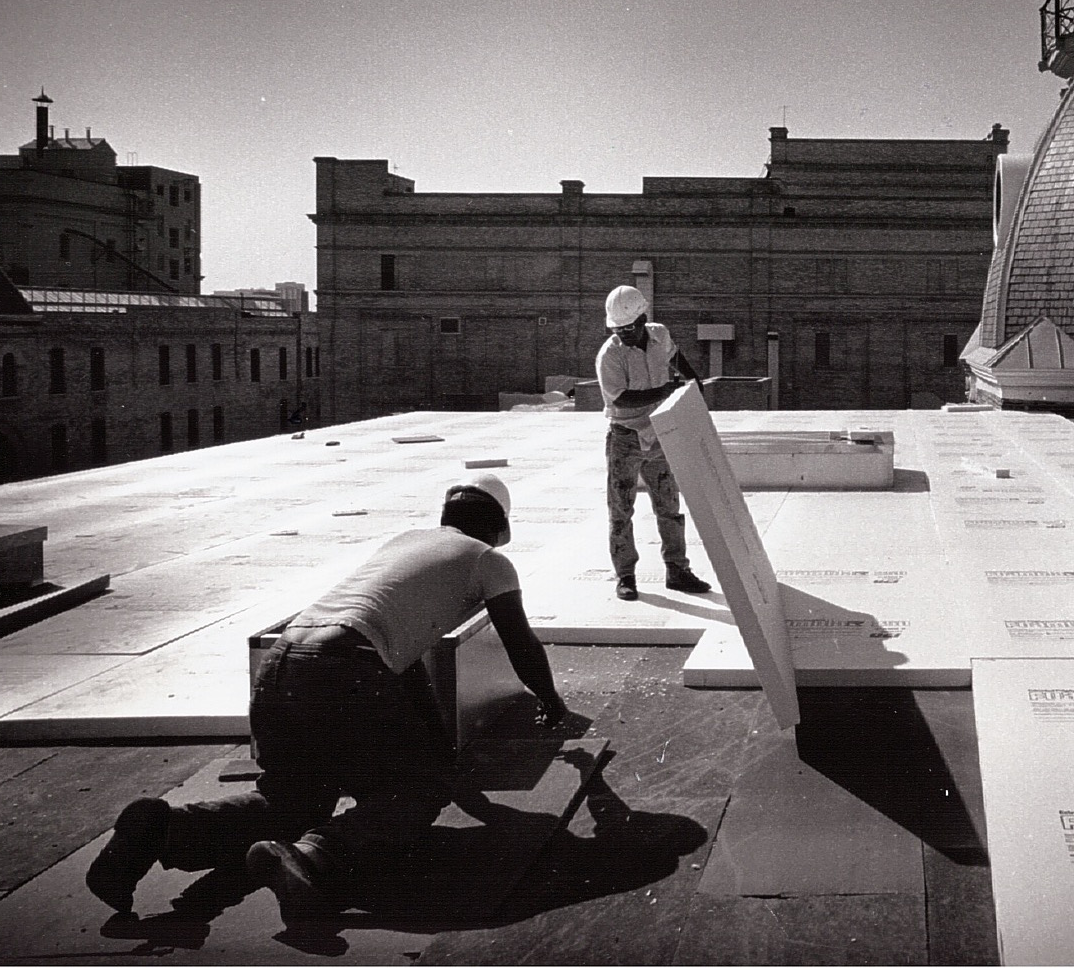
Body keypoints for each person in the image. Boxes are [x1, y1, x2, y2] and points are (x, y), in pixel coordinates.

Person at [85, 473, 569, 924]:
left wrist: (434, 747)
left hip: (281, 662)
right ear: (499, 526)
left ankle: (164, 829)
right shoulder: (488, 560)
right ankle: (314, 857)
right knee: (415, 792)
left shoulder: (406, 544)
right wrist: (550, 700)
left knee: (293, 799)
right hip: (346, 666)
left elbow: (405, 667)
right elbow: (519, 641)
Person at [594, 284, 713, 601]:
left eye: (630, 327)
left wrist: (692, 379)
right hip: (625, 438)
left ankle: (677, 571)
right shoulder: (610, 355)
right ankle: (626, 576)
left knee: (669, 507)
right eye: (618, 329)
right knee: (621, 511)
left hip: (660, 436)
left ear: (643, 319)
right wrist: (663, 392)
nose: (625, 334)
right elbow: (620, 399)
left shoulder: (659, 335)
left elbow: (676, 355)